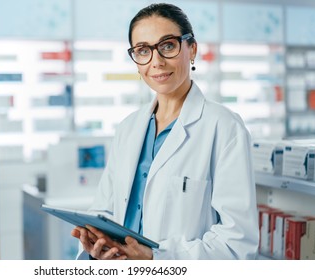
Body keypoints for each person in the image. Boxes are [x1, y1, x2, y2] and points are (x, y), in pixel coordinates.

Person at [71, 3, 259, 260]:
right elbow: (105, 209)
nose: (156, 62)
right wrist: (97, 245)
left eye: (168, 46)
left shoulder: (224, 128)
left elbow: (236, 244)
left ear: (191, 49)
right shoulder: (128, 128)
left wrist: (156, 258)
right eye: (143, 50)